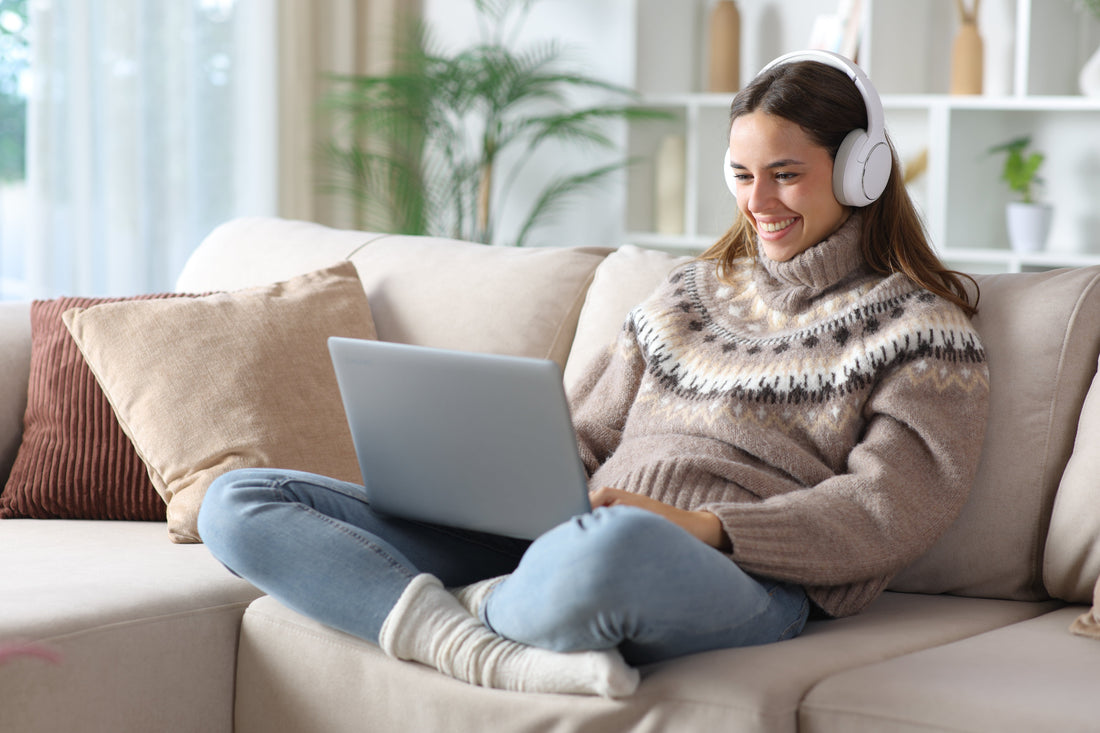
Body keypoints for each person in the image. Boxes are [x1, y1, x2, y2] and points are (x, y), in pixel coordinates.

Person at [197, 51, 989, 699]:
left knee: (616, 550)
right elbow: (584, 436)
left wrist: (708, 527)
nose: (759, 202)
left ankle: (451, 603)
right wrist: (495, 493)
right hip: (567, 536)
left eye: (786, 173)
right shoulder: (685, 294)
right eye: (743, 176)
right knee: (237, 500)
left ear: (862, 171)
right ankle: (482, 642)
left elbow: (886, 513)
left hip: (726, 569)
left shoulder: (923, 330)